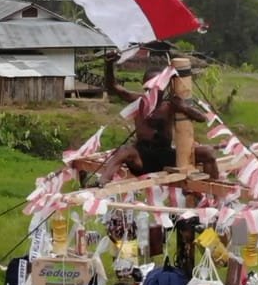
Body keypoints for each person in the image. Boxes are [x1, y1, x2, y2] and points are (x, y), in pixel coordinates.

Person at [91, 51, 221, 185]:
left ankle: (215, 192)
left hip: (167, 155)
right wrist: (109, 64)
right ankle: (102, 182)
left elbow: (202, 118)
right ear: (144, 85)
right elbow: (113, 87)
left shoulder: (171, 104)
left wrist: (184, 107)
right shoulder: (138, 100)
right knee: (124, 150)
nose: (154, 90)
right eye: (150, 87)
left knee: (208, 152)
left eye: (158, 86)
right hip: (142, 157)